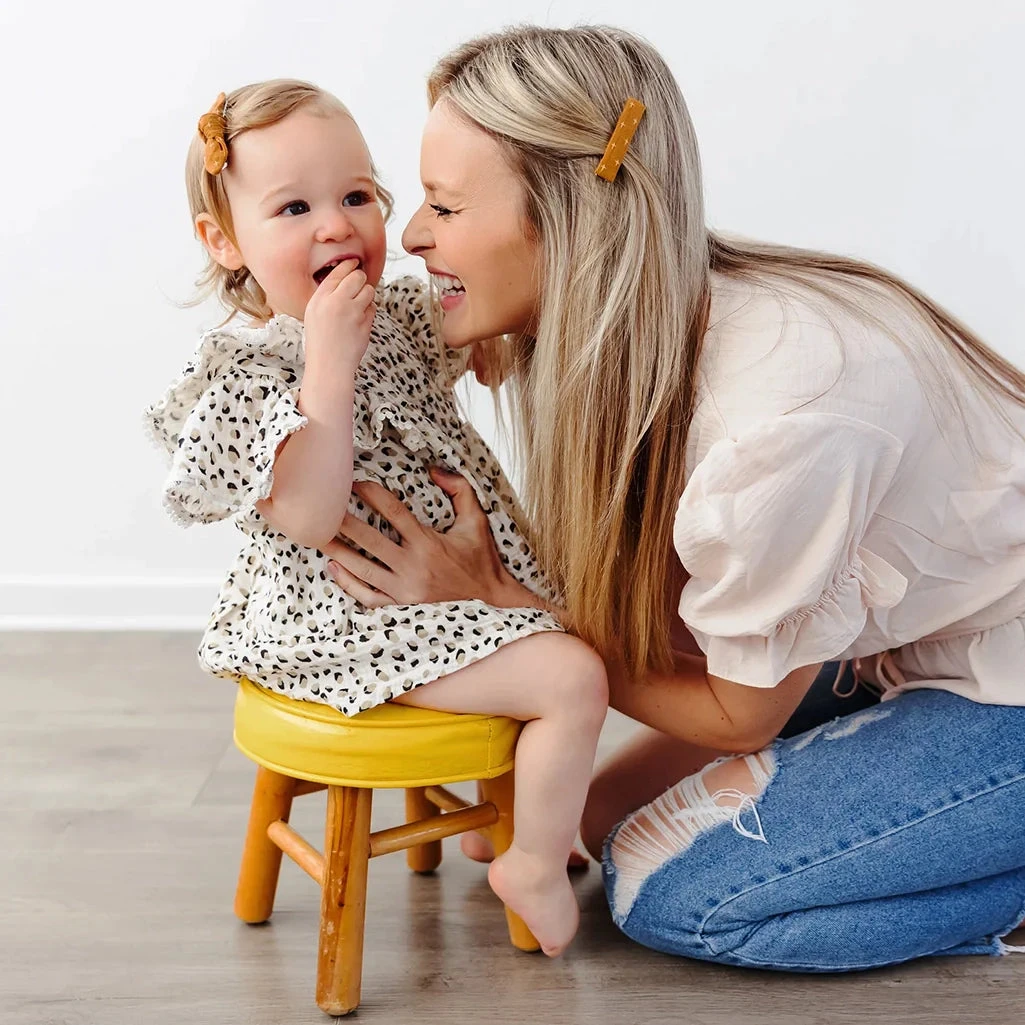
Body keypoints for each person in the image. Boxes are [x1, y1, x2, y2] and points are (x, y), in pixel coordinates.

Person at [321, 26, 1025, 971]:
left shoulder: (774, 425)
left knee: (672, 895)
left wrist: (501, 603)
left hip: (1003, 680)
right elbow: (668, 623)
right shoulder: (669, 322)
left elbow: (739, 716)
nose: (411, 235)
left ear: (567, 223)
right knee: (597, 817)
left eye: (444, 206)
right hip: (911, 647)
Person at [144, 78, 608, 957]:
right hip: (350, 619)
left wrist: (498, 321)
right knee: (571, 679)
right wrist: (328, 363)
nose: (336, 225)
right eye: (294, 208)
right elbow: (311, 515)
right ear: (224, 241)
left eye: (356, 196)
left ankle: (503, 820)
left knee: (570, 617)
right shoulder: (244, 378)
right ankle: (534, 862)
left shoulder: (394, 315)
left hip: (436, 587)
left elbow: (485, 334)